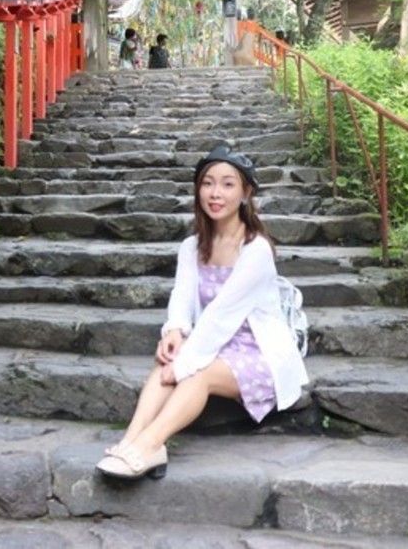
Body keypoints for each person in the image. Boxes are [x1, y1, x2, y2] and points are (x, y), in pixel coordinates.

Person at [95, 144, 309, 480]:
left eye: (227, 184)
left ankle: (150, 445)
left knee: (195, 373)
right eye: (207, 183)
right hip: (216, 344)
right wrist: (175, 332)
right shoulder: (192, 246)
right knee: (167, 359)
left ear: (245, 193)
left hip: (259, 351)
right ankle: (130, 440)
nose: (215, 193)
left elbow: (222, 314)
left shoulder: (256, 250)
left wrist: (187, 361)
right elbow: (182, 297)